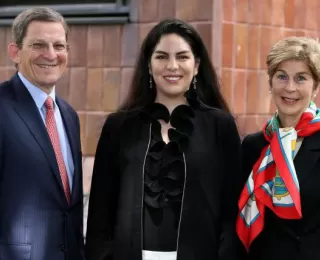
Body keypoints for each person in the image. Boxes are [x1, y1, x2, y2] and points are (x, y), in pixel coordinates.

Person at [85, 19, 244, 260]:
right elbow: (99, 216)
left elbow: (232, 213)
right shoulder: (118, 127)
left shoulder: (220, 126)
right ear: (149, 65)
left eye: (182, 57)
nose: (172, 66)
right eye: (161, 57)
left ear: (197, 65)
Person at [0, 7, 84, 260]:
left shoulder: (69, 116)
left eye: (59, 46)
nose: (50, 55)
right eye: (38, 45)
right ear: (15, 52)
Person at [237, 37, 320, 260]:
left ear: (315, 87)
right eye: (282, 76)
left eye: (301, 78)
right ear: (270, 84)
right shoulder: (253, 146)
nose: (290, 87)